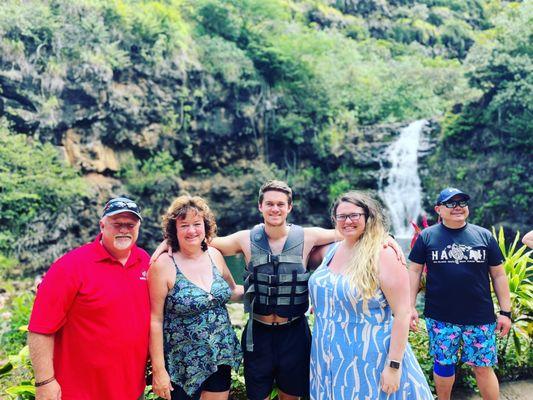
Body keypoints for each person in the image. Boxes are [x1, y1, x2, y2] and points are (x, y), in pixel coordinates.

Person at [151, 180, 404, 400]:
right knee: (257, 395)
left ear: (289, 207)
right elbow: (200, 238)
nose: (275, 208)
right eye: (269, 203)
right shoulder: (244, 239)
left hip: (294, 331)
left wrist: (386, 238)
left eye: (280, 204)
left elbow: (351, 232)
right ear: (260, 206)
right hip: (258, 334)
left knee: (290, 395)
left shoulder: (309, 236)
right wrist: (167, 241)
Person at [308, 191, 432, 399]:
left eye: (354, 215)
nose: (348, 221)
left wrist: (393, 367)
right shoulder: (331, 250)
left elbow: (402, 313)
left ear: (368, 217)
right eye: (342, 216)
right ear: (334, 220)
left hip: (369, 359)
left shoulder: (383, 253)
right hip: (326, 357)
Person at [28, 197, 150, 400]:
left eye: (130, 224)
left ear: (138, 227)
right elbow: (40, 328)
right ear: (102, 225)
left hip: (131, 390)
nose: (124, 230)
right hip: (79, 392)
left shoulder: (145, 261)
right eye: (117, 224)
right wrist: (44, 381)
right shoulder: (70, 266)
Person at [408, 187, 512, 400]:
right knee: (444, 364)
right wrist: (409, 307)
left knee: (483, 367)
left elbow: (499, 276)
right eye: (451, 203)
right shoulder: (427, 237)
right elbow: (415, 272)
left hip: (479, 317)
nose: (458, 207)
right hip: (441, 317)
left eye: (462, 202)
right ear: (438, 209)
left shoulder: (483, 235)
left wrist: (506, 312)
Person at [148, 195, 243, 400]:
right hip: (182, 364)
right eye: (184, 225)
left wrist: (267, 293)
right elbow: (155, 320)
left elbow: (233, 291)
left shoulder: (215, 255)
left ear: (205, 227)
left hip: (219, 355)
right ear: (174, 230)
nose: (192, 230)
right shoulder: (163, 265)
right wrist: (159, 370)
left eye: (197, 224)